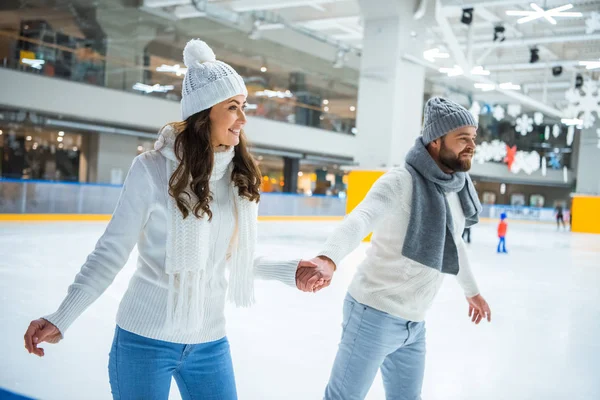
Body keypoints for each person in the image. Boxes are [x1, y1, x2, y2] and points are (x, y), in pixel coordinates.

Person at [23, 39, 322, 399]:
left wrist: (291, 270)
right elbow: (110, 253)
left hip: (209, 342)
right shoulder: (150, 170)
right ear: (204, 112)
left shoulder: (237, 176)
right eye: (232, 107)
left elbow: (230, 256)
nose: (243, 119)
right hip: (144, 341)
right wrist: (62, 316)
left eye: (243, 107)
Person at [297, 97, 492, 400]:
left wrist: (472, 290)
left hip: (414, 323)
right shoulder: (402, 181)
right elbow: (361, 218)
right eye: (462, 138)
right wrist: (329, 257)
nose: (471, 145)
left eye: (473, 137)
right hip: (373, 314)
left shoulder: (455, 187)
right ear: (436, 141)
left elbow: (453, 244)